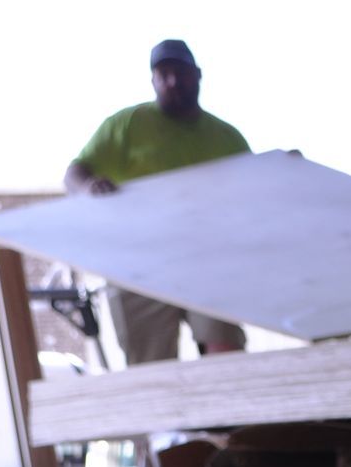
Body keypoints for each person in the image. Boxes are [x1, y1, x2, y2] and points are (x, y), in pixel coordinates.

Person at [64, 38, 251, 367]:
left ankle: (229, 417)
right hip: (140, 264)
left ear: (198, 75)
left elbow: (260, 186)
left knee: (225, 352)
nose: (173, 82)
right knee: (151, 364)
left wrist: (286, 167)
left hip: (208, 260)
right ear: (152, 80)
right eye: (163, 74)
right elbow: (74, 173)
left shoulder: (227, 137)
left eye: (180, 73)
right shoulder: (127, 125)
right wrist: (90, 186)